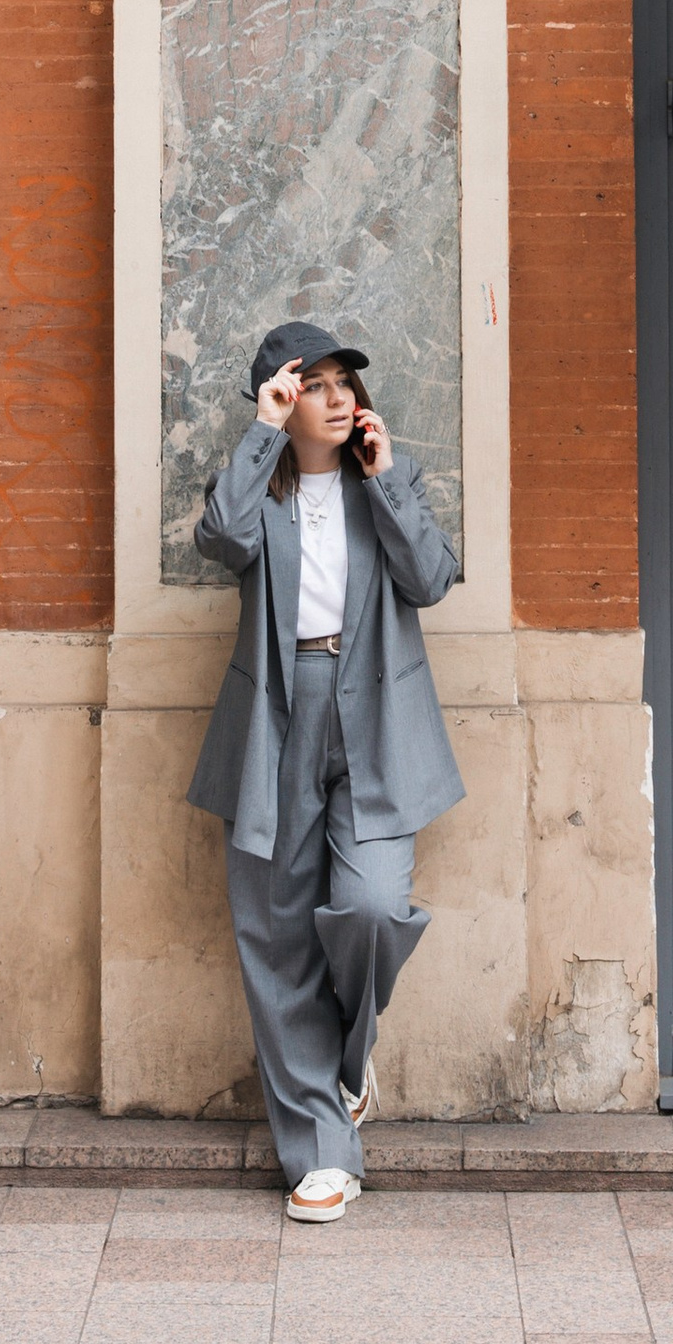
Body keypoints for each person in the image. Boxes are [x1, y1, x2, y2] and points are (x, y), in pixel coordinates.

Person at [188, 318, 463, 1223]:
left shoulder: (389, 481)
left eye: (349, 383)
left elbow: (430, 579)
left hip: (375, 710)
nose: (341, 398)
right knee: (275, 933)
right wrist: (262, 430)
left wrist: (386, 484)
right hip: (279, 712)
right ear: (282, 396)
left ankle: (346, 1062)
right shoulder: (255, 488)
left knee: (375, 907)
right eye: (318, 385)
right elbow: (220, 540)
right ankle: (321, 1154)